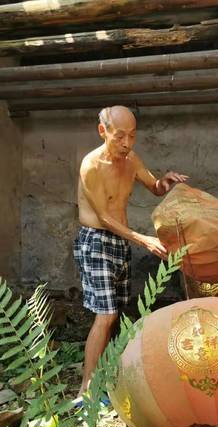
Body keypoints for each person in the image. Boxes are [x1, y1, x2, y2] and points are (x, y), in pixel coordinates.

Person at [73, 105, 188, 397]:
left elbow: (154, 186)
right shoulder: (91, 166)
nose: (127, 143)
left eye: (133, 136)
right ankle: (86, 391)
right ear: (103, 131)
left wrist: (165, 181)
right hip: (97, 239)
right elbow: (104, 218)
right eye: (120, 136)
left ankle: (104, 374)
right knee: (106, 314)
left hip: (121, 240)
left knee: (115, 312)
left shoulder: (131, 159)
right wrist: (144, 240)